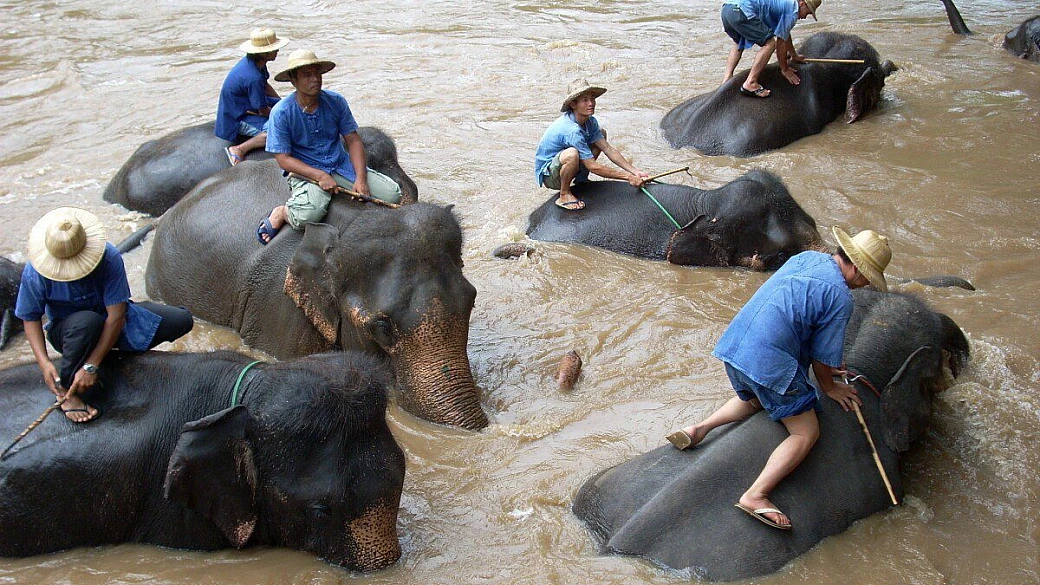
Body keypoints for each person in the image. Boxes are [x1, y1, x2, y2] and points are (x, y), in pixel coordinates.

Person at [665, 227, 891, 530]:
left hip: (736, 346)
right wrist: (829, 386)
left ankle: (698, 429)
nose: (864, 285)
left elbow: (795, 313)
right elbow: (824, 360)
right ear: (857, 268)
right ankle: (756, 495)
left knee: (758, 398)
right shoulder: (840, 296)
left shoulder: (808, 258)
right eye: (866, 278)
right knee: (805, 432)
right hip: (769, 360)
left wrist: (824, 367)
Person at [14, 207, 195, 423]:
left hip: (114, 320)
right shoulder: (36, 271)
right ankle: (67, 392)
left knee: (182, 320)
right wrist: (44, 363)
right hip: (72, 331)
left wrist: (92, 364)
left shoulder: (108, 257)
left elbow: (117, 315)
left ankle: (107, 359)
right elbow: (30, 317)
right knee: (87, 322)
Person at [256, 49, 403, 245]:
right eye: (307, 75)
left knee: (393, 194)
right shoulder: (281, 113)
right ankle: (282, 213)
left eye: (317, 73)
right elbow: (283, 158)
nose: (315, 79)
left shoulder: (336, 101)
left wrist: (360, 178)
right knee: (310, 214)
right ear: (293, 80)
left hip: (339, 163)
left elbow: (353, 140)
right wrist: (319, 176)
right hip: (306, 171)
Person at [533, 79, 649, 211]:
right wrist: (628, 177)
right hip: (550, 174)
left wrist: (635, 171)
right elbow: (593, 166)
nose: (591, 103)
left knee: (601, 134)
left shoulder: (590, 121)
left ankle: (581, 179)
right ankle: (564, 194)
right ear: (573, 104)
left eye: (592, 98)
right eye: (585, 100)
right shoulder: (571, 130)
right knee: (572, 154)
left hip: (565, 162)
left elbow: (607, 149)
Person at [215, 28, 290, 165]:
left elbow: (265, 85)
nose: (277, 51)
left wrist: (281, 104)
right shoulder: (252, 77)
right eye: (274, 49)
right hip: (238, 116)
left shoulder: (258, 65)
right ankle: (240, 149)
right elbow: (262, 110)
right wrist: (286, 116)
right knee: (279, 131)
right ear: (264, 53)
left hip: (247, 103)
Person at [721, 0, 821, 98]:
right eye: (807, 12)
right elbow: (780, 43)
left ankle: (727, 78)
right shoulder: (793, 10)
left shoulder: (785, 4)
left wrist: (794, 55)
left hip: (727, 9)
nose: (804, 17)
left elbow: (785, 34)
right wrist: (785, 69)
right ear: (802, 3)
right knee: (770, 43)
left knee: (738, 43)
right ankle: (751, 82)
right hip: (742, 12)